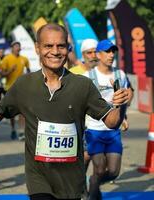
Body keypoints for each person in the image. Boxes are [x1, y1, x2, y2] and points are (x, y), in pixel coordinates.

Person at [0, 23, 130, 200]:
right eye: (48, 46)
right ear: (37, 48)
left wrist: (121, 107)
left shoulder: (83, 85)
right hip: (39, 179)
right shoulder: (24, 84)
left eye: (60, 46)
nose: (55, 51)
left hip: (71, 180)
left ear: (67, 48)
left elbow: (112, 122)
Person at [83, 39, 133, 200]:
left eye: (113, 51)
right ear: (98, 54)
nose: (111, 55)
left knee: (113, 172)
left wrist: (123, 117)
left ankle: (93, 182)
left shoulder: (120, 75)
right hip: (94, 130)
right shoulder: (88, 77)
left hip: (113, 131)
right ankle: (93, 194)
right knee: (99, 168)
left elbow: (122, 100)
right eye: (107, 51)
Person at [70, 38, 98, 199]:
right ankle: (82, 186)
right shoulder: (74, 73)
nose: (93, 56)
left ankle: (86, 183)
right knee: (85, 156)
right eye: (89, 52)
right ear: (83, 54)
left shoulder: (106, 72)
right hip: (81, 123)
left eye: (95, 52)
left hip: (102, 123)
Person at [0, 41, 30, 140]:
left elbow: (28, 71)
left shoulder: (24, 59)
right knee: (12, 112)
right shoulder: (7, 59)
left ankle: (21, 131)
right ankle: (13, 129)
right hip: (9, 88)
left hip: (21, 88)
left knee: (22, 111)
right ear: (12, 48)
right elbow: (2, 74)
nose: (17, 48)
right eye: (15, 46)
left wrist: (28, 76)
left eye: (18, 46)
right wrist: (10, 71)